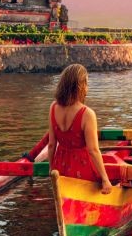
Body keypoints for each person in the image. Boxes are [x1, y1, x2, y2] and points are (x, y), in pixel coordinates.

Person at [41, 64, 115, 194]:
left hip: (60, 167)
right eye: (87, 83)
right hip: (82, 168)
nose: (88, 88)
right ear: (80, 86)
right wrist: (105, 179)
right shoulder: (87, 114)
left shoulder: (53, 107)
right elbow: (93, 150)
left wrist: (52, 169)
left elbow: (51, 145)